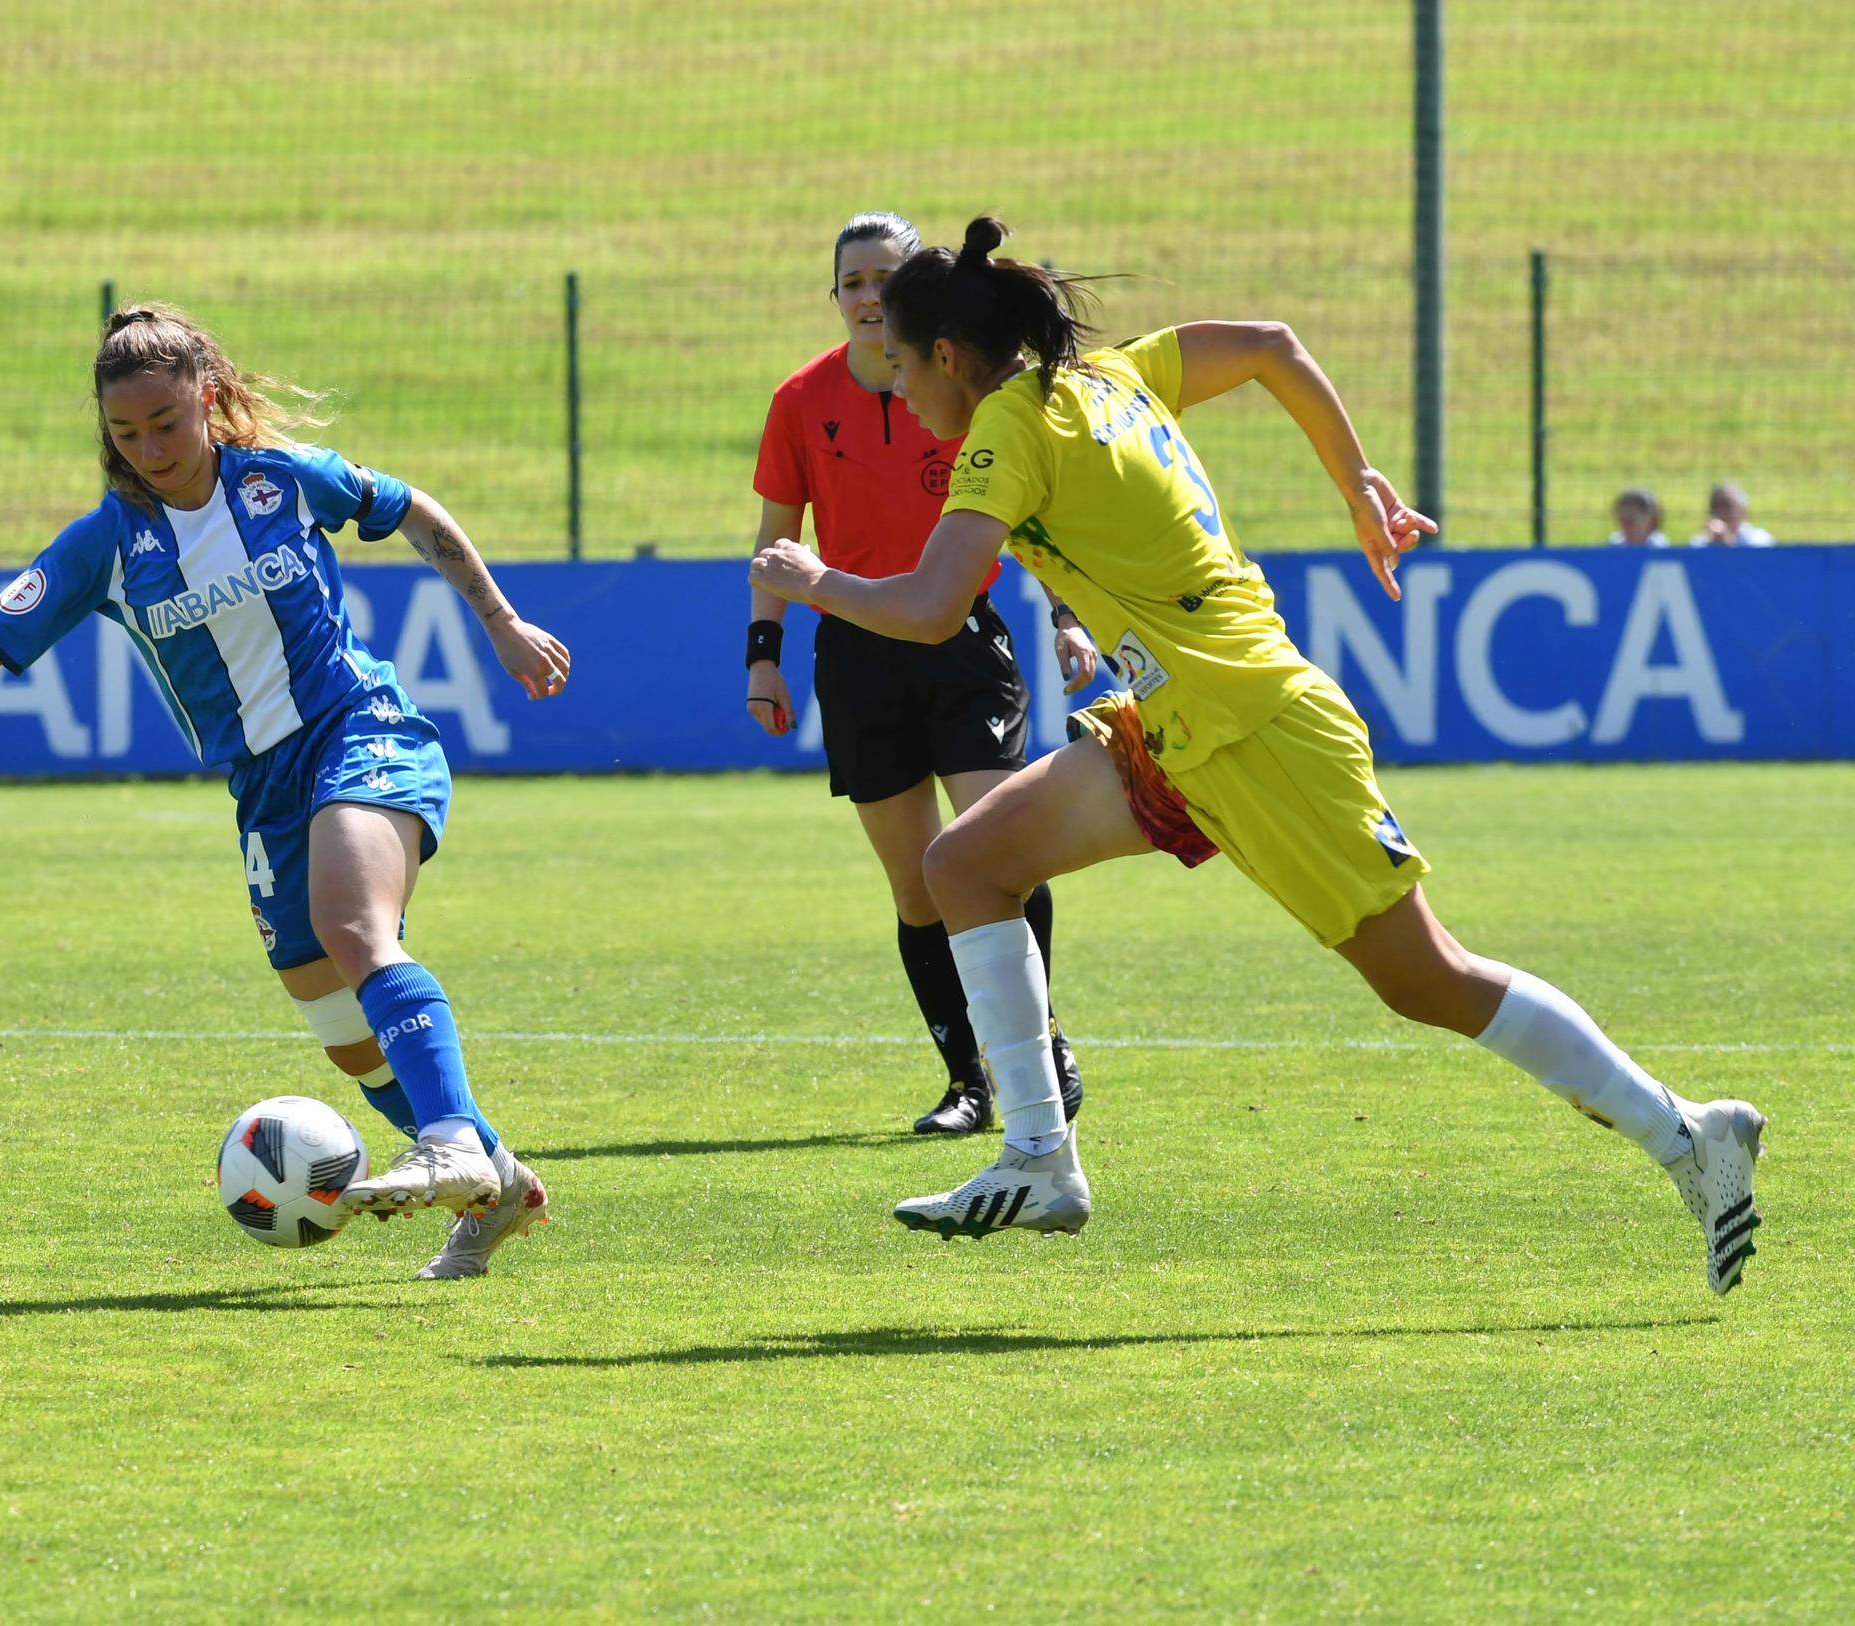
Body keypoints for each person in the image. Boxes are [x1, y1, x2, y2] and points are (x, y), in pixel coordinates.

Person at [750, 218, 1766, 1297]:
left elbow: (925, 604)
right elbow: (1273, 344)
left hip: (1254, 728)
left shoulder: (1007, 422)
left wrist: (811, 581)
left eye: (903, 368)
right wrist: (1358, 479)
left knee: (1426, 978)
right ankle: (1041, 1158)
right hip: (1179, 725)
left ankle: (1687, 1137)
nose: (899, 393)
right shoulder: (1111, 374)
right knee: (963, 868)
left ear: (947, 356)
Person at [0, 304, 563, 1280]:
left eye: (166, 421)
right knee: (343, 1035)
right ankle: (498, 1180)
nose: (150, 447)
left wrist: (499, 622)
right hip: (261, 791)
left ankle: (451, 1139)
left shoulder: (280, 483)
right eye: (127, 433)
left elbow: (411, 508)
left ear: (207, 397)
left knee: (354, 927)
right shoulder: (109, 543)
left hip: (358, 731)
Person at [745, 212, 1098, 1136]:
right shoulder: (800, 401)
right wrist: (764, 658)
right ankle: (969, 1080)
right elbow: (777, 541)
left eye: (884, 281)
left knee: (997, 852)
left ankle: (1041, 1039)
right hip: (856, 652)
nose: (868, 297)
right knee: (916, 886)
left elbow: (1026, 512)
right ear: (835, 297)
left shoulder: (962, 389)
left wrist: (1066, 615)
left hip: (964, 646)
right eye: (851, 281)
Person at [1689, 481, 1774, 547]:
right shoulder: (1700, 542)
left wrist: (1728, 543)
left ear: (1743, 512)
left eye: (1727, 507)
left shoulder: (1758, 539)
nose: (1721, 513)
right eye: (1715, 506)